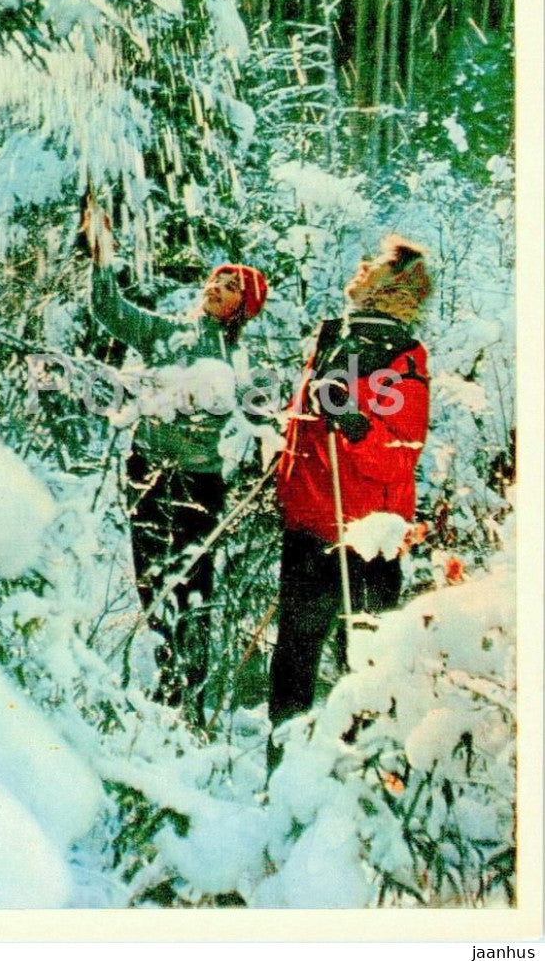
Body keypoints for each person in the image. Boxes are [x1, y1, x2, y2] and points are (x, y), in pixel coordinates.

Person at [84, 200, 268, 726]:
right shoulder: (164, 332)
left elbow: (259, 415)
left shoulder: (240, 360)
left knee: (194, 589)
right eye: (215, 280)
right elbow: (111, 312)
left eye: (230, 287)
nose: (216, 288)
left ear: (243, 307)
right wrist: (102, 262)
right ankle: (162, 688)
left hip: (201, 482)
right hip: (146, 472)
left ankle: (189, 698)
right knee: (150, 582)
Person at [268, 236, 432, 763]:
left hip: (366, 533)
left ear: (395, 287)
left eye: (377, 266)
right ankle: (285, 771)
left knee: (363, 663)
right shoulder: (338, 337)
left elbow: (397, 452)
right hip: (310, 519)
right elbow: (309, 422)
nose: (362, 267)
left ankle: (359, 782)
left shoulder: (402, 357)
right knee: (294, 658)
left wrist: (354, 422)